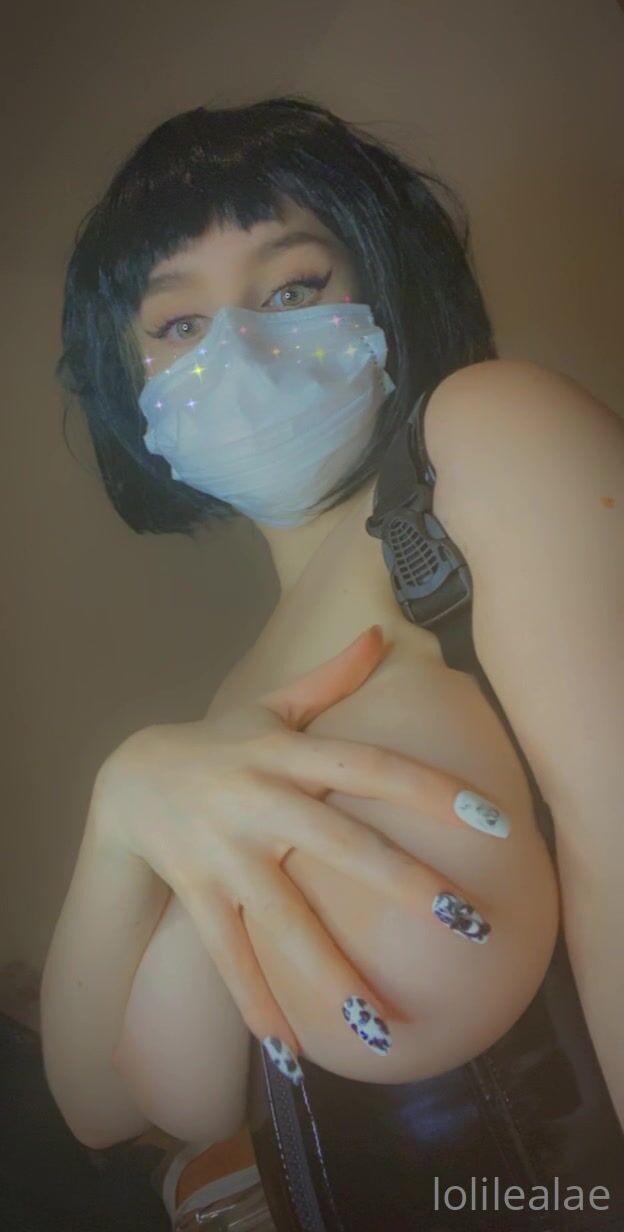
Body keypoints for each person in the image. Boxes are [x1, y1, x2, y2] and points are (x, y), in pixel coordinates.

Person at [40, 95, 622, 1221]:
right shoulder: (238, 688)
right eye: (177, 323)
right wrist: (124, 798)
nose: (238, 347)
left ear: (383, 289)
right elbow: (104, 1104)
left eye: (293, 288)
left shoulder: (481, 440)